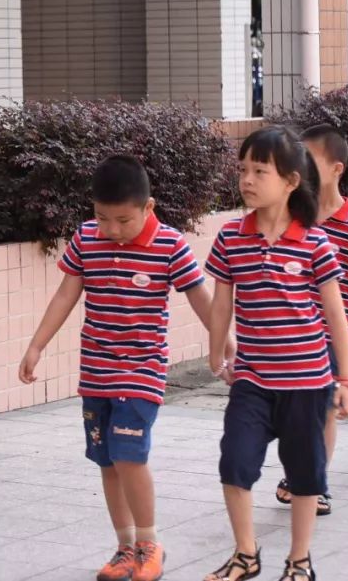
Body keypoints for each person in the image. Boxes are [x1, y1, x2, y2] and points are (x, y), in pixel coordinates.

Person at [18, 155, 214, 581]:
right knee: (107, 460)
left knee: (129, 454)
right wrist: (37, 345)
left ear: (149, 207)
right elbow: (66, 295)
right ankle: (124, 547)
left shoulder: (169, 244)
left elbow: (201, 297)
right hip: (96, 370)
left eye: (122, 220)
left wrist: (225, 345)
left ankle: (149, 544)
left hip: (142, 368)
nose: (111, 229)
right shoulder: (87, 239)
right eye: (102, 217)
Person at [203, 126, 348, 581]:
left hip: (308, 383)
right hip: (252, 379)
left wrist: (345, 381)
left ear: (290, 181)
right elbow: (221, 302)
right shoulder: (232, 237)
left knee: (305, 474)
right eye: (242, 169)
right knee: (234, 461)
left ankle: (299, 560)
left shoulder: (315, 242)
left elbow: (337, 317)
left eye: (259, 171)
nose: (247, 179)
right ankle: (246, 555)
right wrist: (217, 354)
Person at [269, 125, 348, 515]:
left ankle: (315, 482)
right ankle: (298, 471)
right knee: (292, 411)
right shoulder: (288, 216)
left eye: (309, 160)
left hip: (329, 336)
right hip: (290, 334)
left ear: (336, 169)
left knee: (323, 410)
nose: (300, 168)